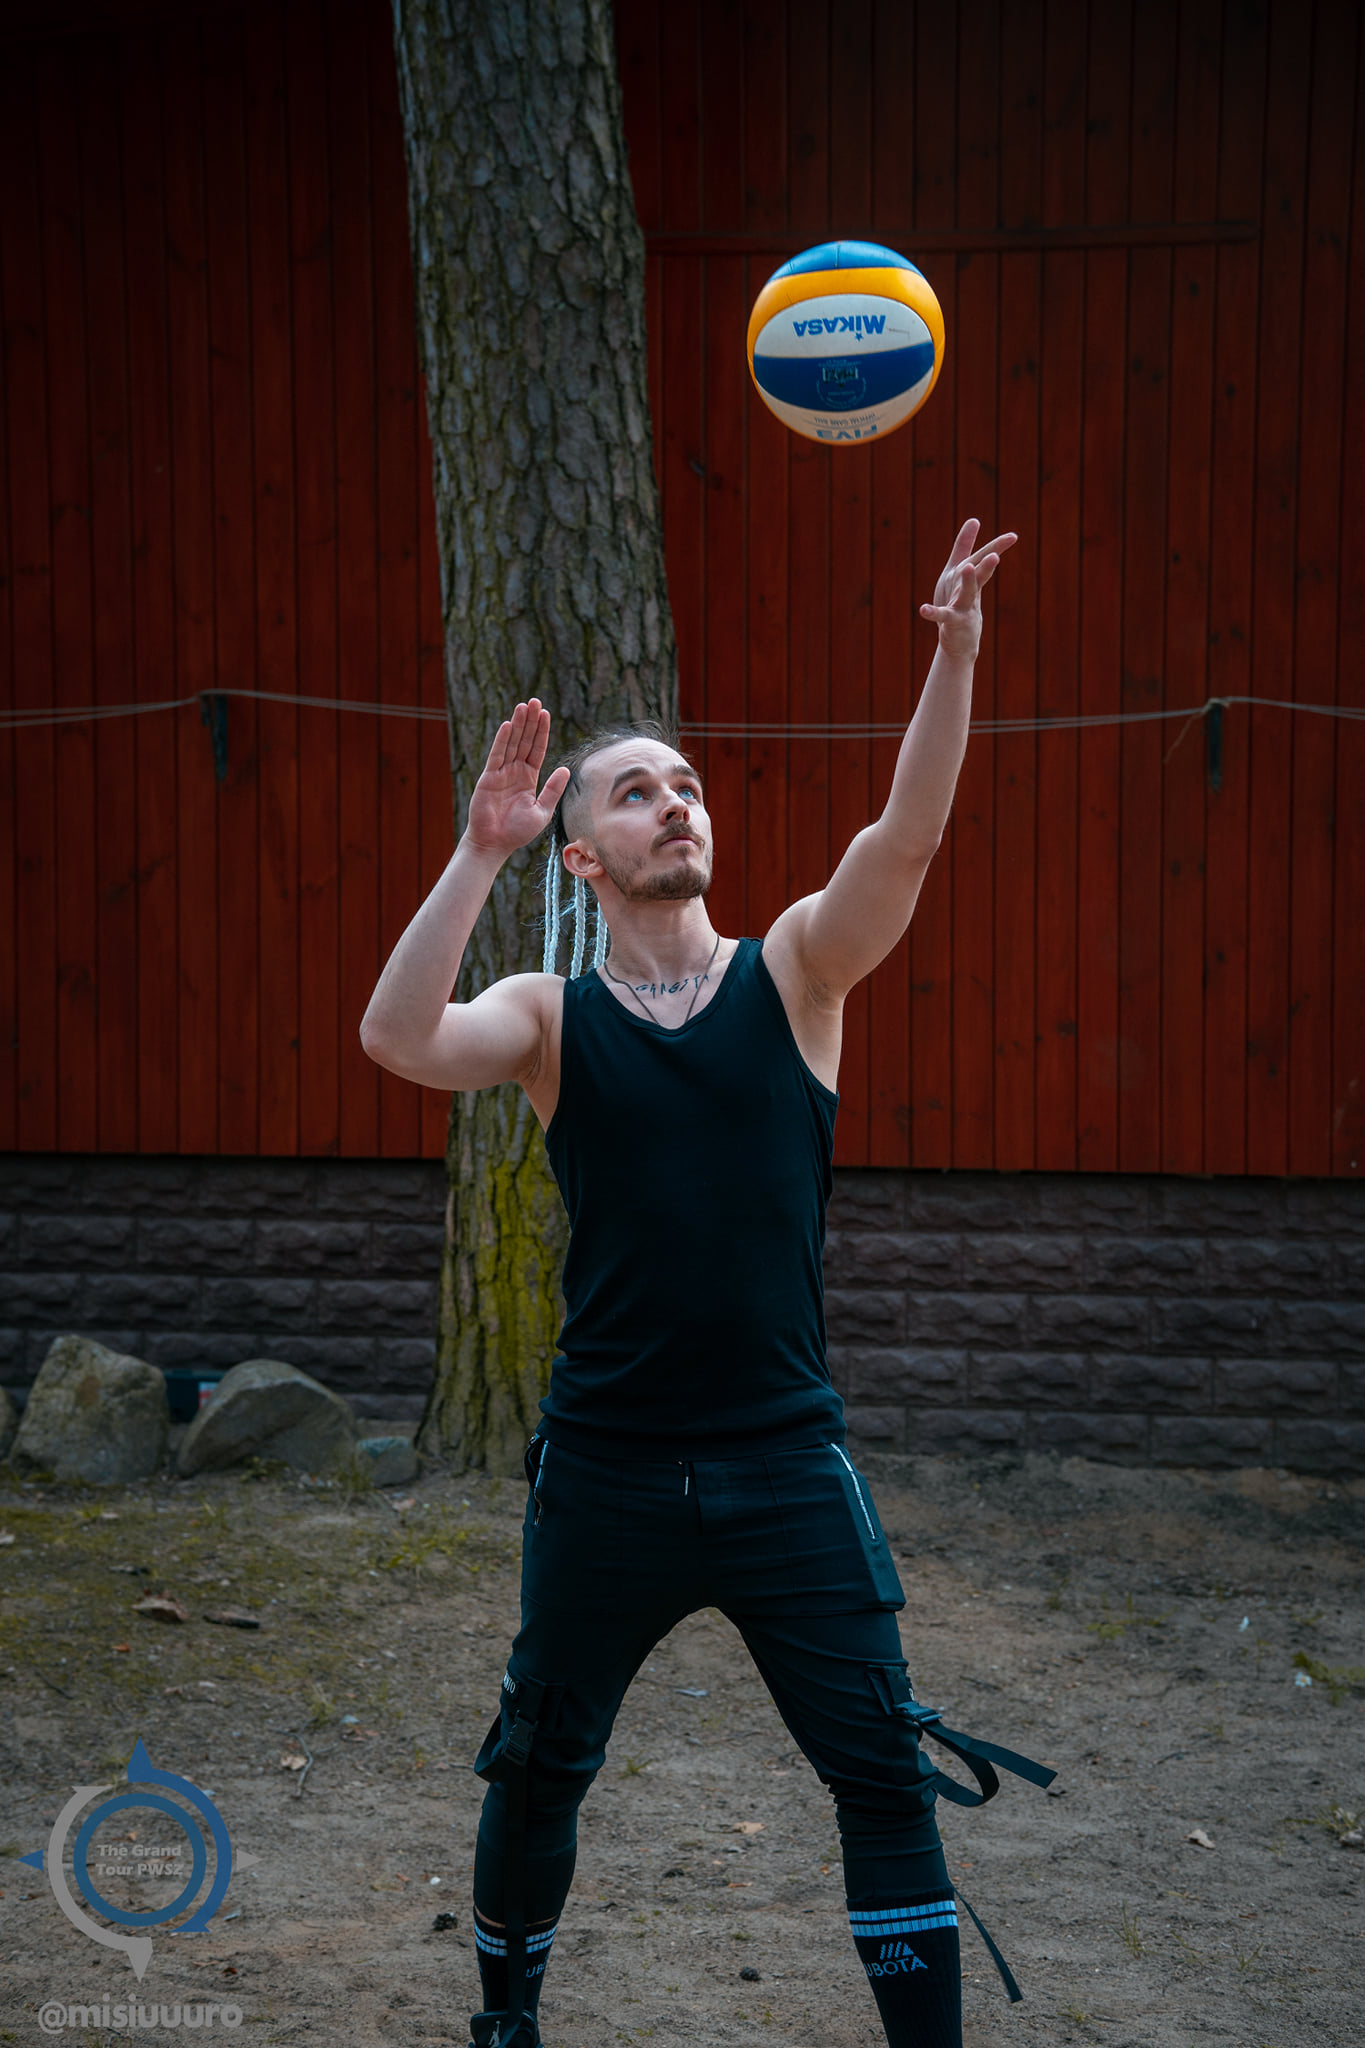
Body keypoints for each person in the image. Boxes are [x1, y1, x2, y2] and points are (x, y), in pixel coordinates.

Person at [361, 519, 1049, 2048]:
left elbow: (905, 839)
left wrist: (954, 659)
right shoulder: (547, 1017)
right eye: (634, 790)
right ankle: (505, 2025)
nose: (673, 801)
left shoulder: (795, 973)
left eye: (684, 784)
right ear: (583, 855)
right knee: (537, 1767)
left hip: (784, 1463)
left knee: (879, 1772)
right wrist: (478, 855)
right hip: (604, 1473)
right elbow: (398, 1040)